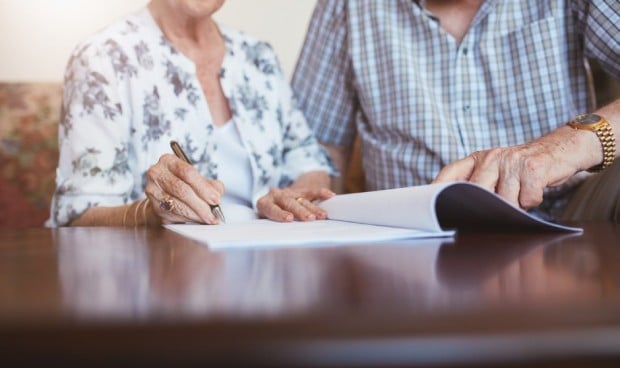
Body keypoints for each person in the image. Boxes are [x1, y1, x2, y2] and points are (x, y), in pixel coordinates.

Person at [292, 0, 620, 222]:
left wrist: (561, 149)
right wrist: (308, 192)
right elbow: (317, 144)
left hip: (570, 224)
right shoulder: (346, 7)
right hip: (410, 243)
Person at [48, 0, 335, 227]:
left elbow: (308, 160)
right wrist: (152, 214)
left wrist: (292, 199)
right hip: (159, 275)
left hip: (266, 269)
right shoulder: (102, 58)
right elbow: (78, 215)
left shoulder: (258, 56)